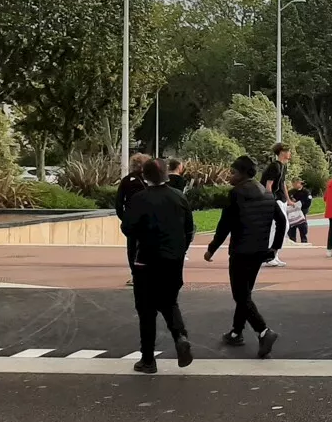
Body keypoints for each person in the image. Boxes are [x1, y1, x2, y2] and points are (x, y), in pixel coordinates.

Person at [205, 155, 283, 357]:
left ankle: (264, 331)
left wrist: (212, 248)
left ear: (242, 174)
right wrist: (274, 247)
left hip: (241, 251)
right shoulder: (267, 194)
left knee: (240, 295)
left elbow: (225, 225)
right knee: (245, 293)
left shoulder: (236, 194)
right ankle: (236, 332)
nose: (230, 176)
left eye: (233, 172)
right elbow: (281, 221)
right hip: (259, 251)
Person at [121, 159, 194, 374]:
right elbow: (189, 229)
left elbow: (128, 228)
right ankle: (180, 336)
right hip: (173, 260)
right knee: (170, 302)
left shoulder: (139, 199)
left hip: (146, 260)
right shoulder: (179, 197)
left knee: (146, 310)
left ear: (145, 176)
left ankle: (148, 359)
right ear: (166, 176)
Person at [115, 153, 152, 286]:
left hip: (132, 220)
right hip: (150, 219)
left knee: (132, 248)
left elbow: (119, 203)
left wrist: (124, 218)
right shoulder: (152, 179)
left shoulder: (126, 181)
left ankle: (135, 275)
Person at [261, 142, 292, 267]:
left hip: (281, 199)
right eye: (288, 151)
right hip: (275, 199)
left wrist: (288, 199)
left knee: (282, 227)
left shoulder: (283, 166)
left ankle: (274, 255)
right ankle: (269, 256)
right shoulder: (275, 166)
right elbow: (269, 184)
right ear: (282, 152)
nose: (290, 153)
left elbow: (283, 184)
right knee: (278, 226)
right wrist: (269, 200)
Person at [286, 178, 312, 244]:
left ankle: (304, 241)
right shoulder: (291, 192)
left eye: (295, 183)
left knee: (303, 229)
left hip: (301, 213)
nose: (293, 185)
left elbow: (308, 202)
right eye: (292, 183)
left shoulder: (306, 192)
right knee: (291, 230)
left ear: (299, 183)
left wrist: (300, 206)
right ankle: (292, 241)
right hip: (292, 214)